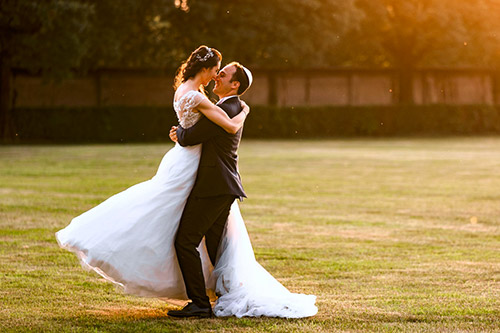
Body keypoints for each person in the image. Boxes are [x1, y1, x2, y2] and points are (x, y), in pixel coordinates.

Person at [56, 45, 317, 318]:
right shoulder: (217, 103)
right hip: (212, 182)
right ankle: (225, 295)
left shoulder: (228, 106)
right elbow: (197, 132)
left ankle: (202, 303)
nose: (217, 76)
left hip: (214, 184)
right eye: (217, 70)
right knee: (216, 245)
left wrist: (183, 131)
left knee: (187, 240)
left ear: (234, 84)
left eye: (223, 73)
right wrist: (187, 130)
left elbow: (194, 135)